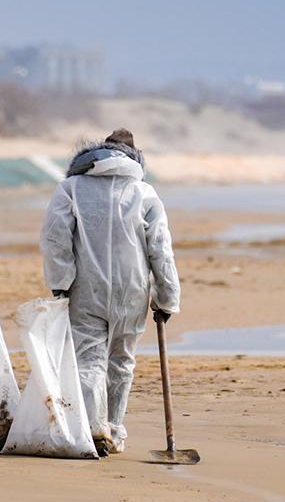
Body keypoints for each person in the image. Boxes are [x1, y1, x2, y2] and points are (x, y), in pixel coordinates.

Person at [40, 129, 180, 457]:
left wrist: (60, 281)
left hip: (86, 287)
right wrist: (167, 296)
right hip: (133, 289)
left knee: (89, 357)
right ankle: (113, 429)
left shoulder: (70, 189)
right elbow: (160, 248)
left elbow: (55, 237)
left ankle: (93, 426)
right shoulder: (144, 194)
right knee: (121, 360)